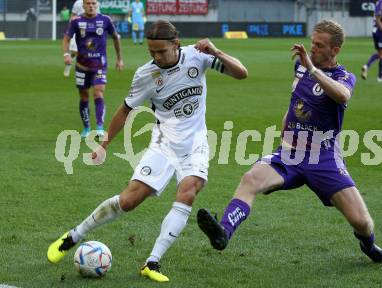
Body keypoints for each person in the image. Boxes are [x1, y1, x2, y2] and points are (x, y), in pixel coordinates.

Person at [47, 20, 248, 282]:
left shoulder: (198, 56)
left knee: (189, 189)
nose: (156, 57)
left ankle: (152, 263)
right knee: (128, 201)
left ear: (176, 45)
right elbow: (125, 109)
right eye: (151, 52)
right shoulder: (146, 74)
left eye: (161, 51)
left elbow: (241, 73)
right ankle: (74, 235)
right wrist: (105, 143)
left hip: (196, 143)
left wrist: (216, 51)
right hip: (163, 143)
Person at [197, 20, 382, 266]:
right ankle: (223, 232)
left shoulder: (344, 76)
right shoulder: (299, 67)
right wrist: (285, 125)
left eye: (319, 45)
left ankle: (369, 246)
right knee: (250, 179)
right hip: (290, 153)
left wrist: (312, 69)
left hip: (323, 158)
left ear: (335, 50)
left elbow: (342, 95)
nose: (313, 48)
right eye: (313, 43)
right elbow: (296, 101)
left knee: (362, 222)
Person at [62, 0, 123, 139]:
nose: (91, 6)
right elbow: (66, 39)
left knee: (98, 93)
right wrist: (66, 55)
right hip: (81, 66)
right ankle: (86, 128)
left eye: (93, 3)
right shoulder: (76, 21)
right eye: (88, 3)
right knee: (84, 96)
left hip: (99, 66)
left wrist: (119, 59)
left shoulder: (105, 20)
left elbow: (115, 38)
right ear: (83, 6)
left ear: (97, 5)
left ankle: (100, 128)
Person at [63, 0, 101, 77]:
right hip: (78, 30)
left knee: (91, 51)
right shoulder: (78, 3)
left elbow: (98, 16)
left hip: (90, 31)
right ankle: (69, 64)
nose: (91, 5)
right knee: (74, 52)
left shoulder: (95, 2)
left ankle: (88, 71)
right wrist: (70, 28)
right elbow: (73, 15)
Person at [361, 0, 382, 83]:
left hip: (377, 31)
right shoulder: (381, 3)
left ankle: (366, 66)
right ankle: (380, 77)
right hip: (380, 32)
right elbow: (378, 19)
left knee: (379, 53)